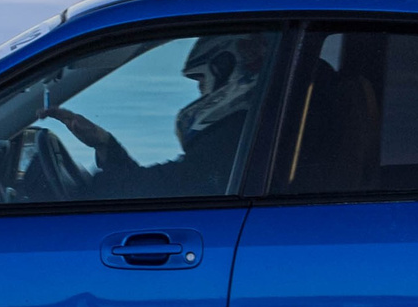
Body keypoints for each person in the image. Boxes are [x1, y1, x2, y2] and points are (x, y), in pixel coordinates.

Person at [50, 33, 273, 198]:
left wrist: (90, 189)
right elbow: (172, 183)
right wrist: (105, 144)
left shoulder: (231, 137)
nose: (200, 91)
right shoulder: (248, 133)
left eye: (202, 81)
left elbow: (166, 187)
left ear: (226, 69)